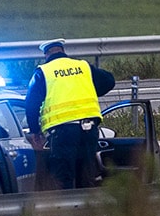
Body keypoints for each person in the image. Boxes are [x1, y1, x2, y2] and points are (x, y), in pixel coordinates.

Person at [24, 39, 117, 190]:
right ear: (62, 50)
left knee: (63, 177)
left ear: (46, 54)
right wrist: (92, 90)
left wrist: (35, 131)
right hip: (89, 129)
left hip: (63, 133)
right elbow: (109, 80)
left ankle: (68, 211)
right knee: (87, 176)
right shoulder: (83, 66)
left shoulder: (44, 71)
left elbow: (31, 103)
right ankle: (87, 211)